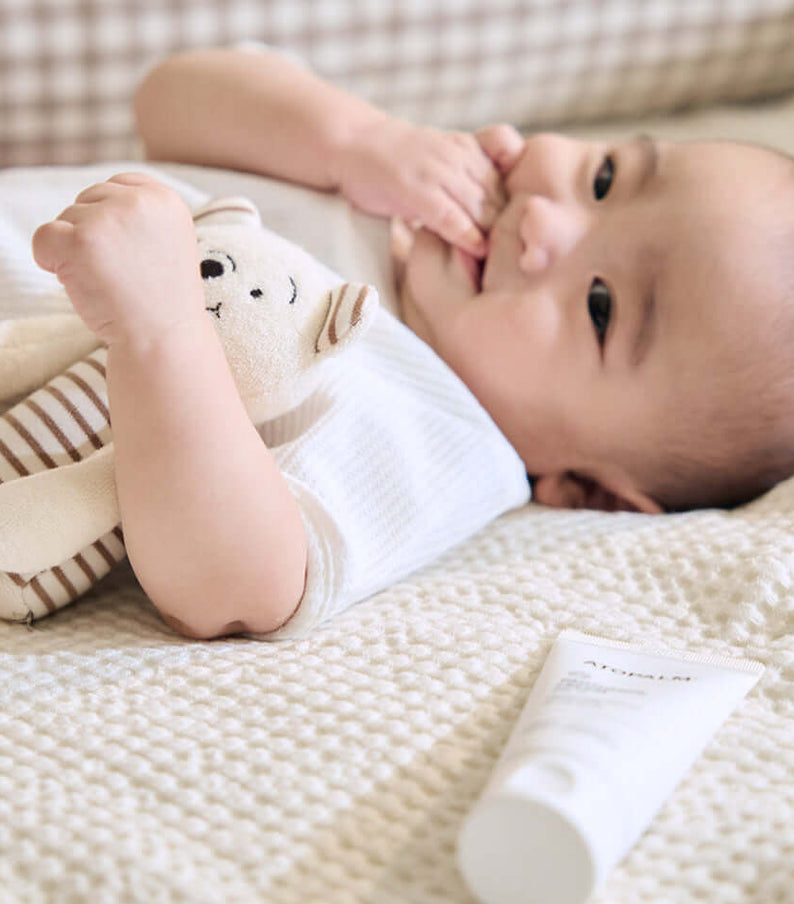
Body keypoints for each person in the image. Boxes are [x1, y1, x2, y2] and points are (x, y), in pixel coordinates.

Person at [25, 45, 794, 639]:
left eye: (600, 307)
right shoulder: (389, 177)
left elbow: (237, 585)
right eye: (604, 180)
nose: (541, 225)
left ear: (587, 491)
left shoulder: (446, 436)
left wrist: (162, 331)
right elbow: (170, 99)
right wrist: (357, 139)